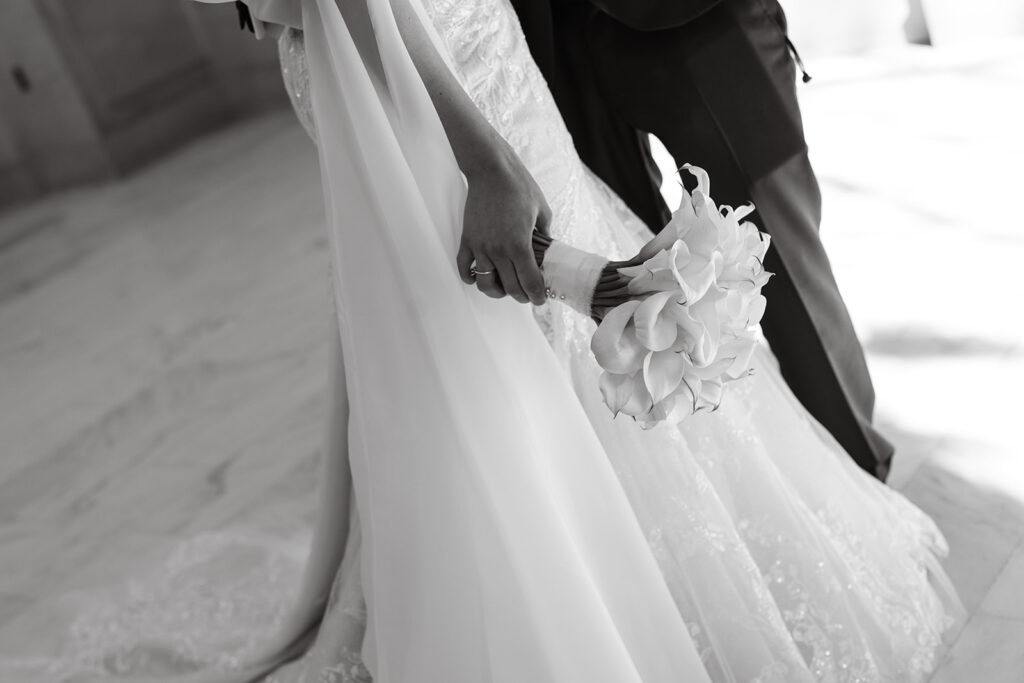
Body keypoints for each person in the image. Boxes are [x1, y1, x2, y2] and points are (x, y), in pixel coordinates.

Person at [21, 0, 960, 681]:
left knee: (518, 320)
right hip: (404, 58)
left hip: (457, 38)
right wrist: (482, 156)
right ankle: (583, 584)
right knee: (486, 324)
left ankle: (647, 564)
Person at [509, 0, 895, 479]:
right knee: (632, 290)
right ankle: (705, 490)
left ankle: (862, 476)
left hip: (701, 27)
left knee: (784, 268)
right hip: (549, 41)